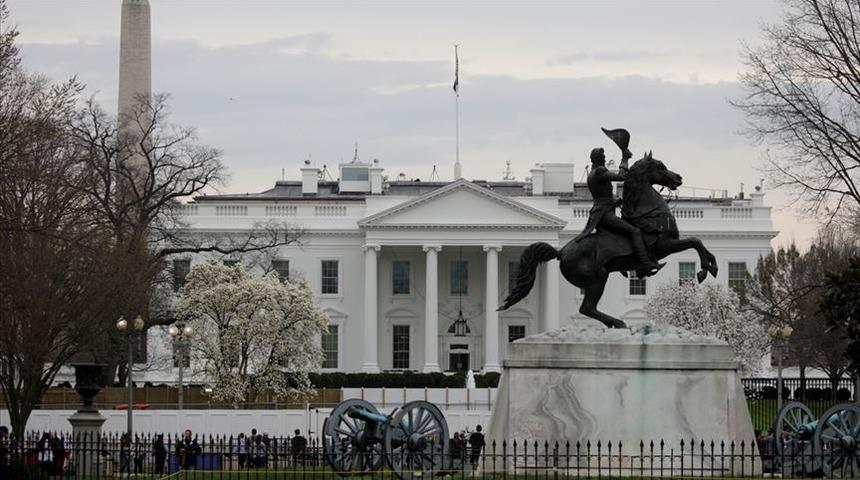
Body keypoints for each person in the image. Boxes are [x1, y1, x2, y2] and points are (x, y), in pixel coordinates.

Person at [574, 147, 662, 275]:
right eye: (603, 157)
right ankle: (645, 264)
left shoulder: (593, 173)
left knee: (622, 234)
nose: (605, 159)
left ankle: (622, 263)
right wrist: (624, 158)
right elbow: (621, 177)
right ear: (598, 159)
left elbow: (601, 198)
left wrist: (615, 203)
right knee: (634, 231)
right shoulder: (599, 172)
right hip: (604, 215)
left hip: (602, 211)